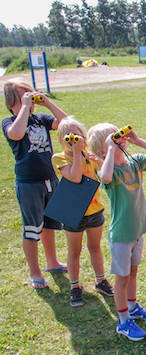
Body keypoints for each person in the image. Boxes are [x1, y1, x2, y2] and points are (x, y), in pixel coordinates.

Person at [88, 123, 146, 341]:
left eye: (119, 138)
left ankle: (133, 307)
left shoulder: (134, 163)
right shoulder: (108, 170)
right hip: (121, 235)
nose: (120, 141)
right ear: (103, 152)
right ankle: (123, 322)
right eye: (114, 141)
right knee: (122, 279)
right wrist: (111, 148)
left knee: (133, 272)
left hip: (137, 230)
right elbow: (104, 178)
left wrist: (138, 140)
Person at [2, 79, 67, 289]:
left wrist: (47, 103)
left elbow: (66, 124)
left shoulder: (41, 119)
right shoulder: (9, 122)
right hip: (29, 183)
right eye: (24, 96)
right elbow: (17, 134)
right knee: (32, 229)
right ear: (13, 100)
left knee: (49, 224)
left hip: (49, 178)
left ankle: (52, 261)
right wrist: (23, 108)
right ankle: (35, 272)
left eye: (31, 96)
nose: (30, 101)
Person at [52, 117, 113, 306]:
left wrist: (100, 160)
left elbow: (105, 175)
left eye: (77, 136)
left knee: (95, 247)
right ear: (61, 140)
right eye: (68, 137)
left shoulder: (90, 156)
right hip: (73, 212)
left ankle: (101, 280)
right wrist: (78, 153)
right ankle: (75, 285)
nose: (73, 140)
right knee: (74, 251)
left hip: (94, 210)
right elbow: (76, 177)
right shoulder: (59, 158)